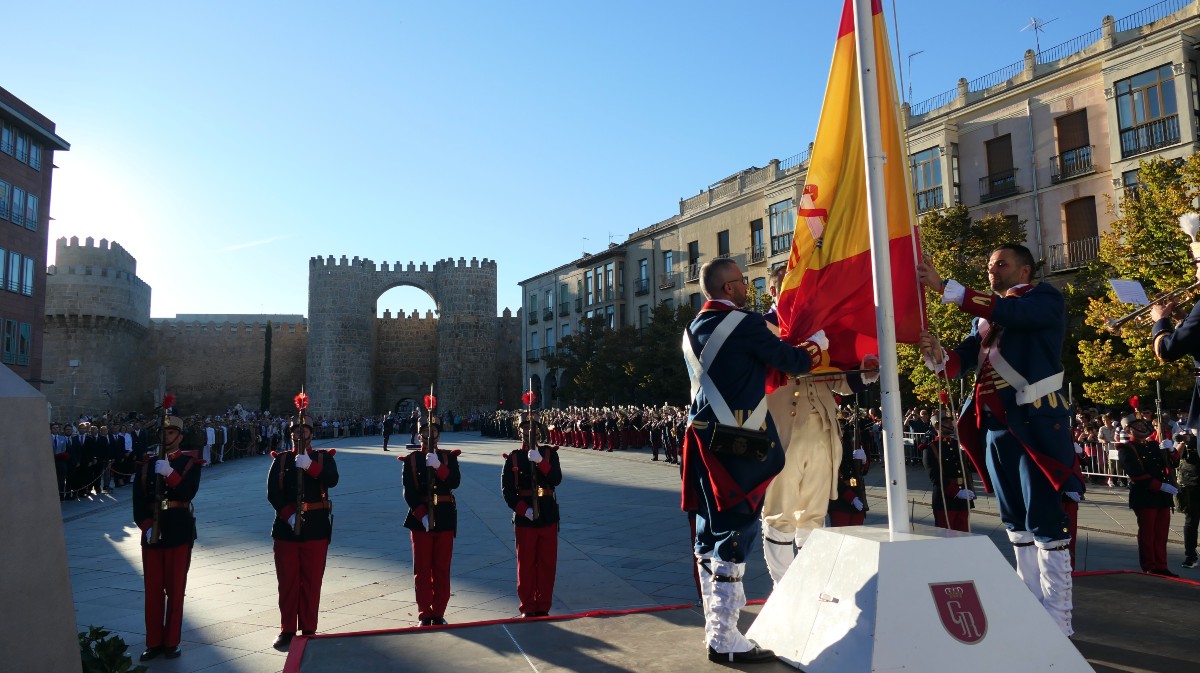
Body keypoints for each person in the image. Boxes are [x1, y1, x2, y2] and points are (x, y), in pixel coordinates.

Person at [917, 244, 1081, 638]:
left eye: (1001, 264)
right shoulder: (988, 318)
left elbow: (1013, 314)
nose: (993, 270)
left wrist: (945, 288)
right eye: (989, 265)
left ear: (1025, 268)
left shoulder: (1044, 298)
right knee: (1015, 522)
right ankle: (1029, 603)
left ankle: (1059, 617)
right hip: (994, 426)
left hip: (1033, 422)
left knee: (1045, 520)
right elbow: (964, 360)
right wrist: (939, 355)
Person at [680, 258, 824, 664]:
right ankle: (725, 639)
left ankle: (716, 630)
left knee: (708, 537)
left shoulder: (692, 330)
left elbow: (742, 374)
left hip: (703, 440)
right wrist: (819, 346)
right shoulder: (745, 324)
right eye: (742, 281)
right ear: (729, 289)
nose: (748, 286)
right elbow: (793, 362)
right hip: (737, 443)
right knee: (735, 533)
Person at [759, 264, 876, 585]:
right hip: (781, 434)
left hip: (823, 433)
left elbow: (836, 382)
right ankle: (783, 588)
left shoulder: (821, 329)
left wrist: (863, 376)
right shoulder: (759, 328)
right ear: (773, 291)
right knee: (779, 513)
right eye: (790, 284)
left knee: (812, 515)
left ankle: (808, 587)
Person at [132, 414, 202, 661]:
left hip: (177, 530)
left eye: (172, 433)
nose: (167, 436)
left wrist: (170, 473)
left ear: (180, 437)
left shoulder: (190, 463)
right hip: (153, 532)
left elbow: (187, 493)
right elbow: (138, 501)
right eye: (164, 433)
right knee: (152, 591)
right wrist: (146, 526)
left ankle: (171, 641)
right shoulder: (146, 465)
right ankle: (153, 642)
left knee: (175, 589)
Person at [267, 416, 340, 651]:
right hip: (286, 529)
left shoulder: (323, 458)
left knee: (311, 581)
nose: (299, 435)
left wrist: (310, 465)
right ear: (291, 434)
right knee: (287, 581)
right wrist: (288, 515)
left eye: (304, 431)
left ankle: (308, 628)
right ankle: (287, 629)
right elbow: (272, 493)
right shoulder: (281, 460)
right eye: (295, 431)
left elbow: (332, 480)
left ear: (311, 434)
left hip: (316, 526)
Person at [401, 417, 461, 626]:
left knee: (442, 568)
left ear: (439, 435)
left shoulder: (448, 458)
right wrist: (422, 515)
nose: (429, 435)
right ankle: (425, 612)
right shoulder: (411, 460)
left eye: (433, 432)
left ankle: (439, 611)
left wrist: (439, 466)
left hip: (444, 516)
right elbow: (409, 492)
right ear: (419, 436)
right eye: (425, 432)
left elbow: (455, 482)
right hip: (420, 519)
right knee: (422, 569)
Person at [503, 415, 563, 617]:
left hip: (547, 513)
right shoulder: (513, 457)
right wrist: (523, 510)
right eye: (525, 428)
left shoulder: (548, 453)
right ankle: (528, 605)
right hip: (525, 516)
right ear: (520, 432)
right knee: (526, 563)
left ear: (538, 431)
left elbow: (556, 478)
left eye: (532, 428)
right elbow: (508, 492)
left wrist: (541, 462)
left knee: (547, 563)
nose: (529, 432)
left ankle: (543, 604)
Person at [1118, 418, 1179, 576]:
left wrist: (1171, 450)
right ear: (1128, 430)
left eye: (1141, 425)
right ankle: (1150, 566)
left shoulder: (1154, 445)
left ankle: (1161, 565)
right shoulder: (1126, 449)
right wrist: (1161, 486)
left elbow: (1173, 464)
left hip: (1162, 497)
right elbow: (1136, 475)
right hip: (1145, 496)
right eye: (1135, 426)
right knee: (1148, 534)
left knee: (1161, 534)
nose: (1140, 428)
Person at [919, 413, 975, 532]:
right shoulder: (930, 448)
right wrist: (956, 492)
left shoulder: (958, 445)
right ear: (937, 426)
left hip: (963, 499)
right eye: (946, 422)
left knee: (964, 537)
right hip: (945, 499)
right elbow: (935, 477)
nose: (951, 424)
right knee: (946, 537)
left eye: (951, 421)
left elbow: (969, 468)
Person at [1175, 432, 1199, 569]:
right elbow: (1175, 457)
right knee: (1191, 521)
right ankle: (1190, 555)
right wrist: (1183, 441)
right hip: (1191, 484)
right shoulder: (1186, 437)